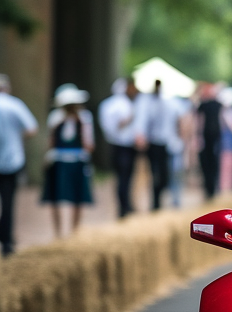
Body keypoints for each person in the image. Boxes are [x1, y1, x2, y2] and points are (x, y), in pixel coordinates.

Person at [42, 83, 94, 236]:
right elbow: (51, 142)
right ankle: (58, 233)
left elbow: (89, 144)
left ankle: (74, 231)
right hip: (59, 162)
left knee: (78, 198)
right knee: (56, 198)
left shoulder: (84, 118)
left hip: (77, 161)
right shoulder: (56, 118)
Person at [0, 74, 38, 256]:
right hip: (11, 161)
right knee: (8, 203)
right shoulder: (15, 105)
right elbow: (32, 129)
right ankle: (6, 241)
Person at [134, 79, 178, 210]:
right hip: (152, 143)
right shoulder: (147, 103)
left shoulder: (167, 102)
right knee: (154, 173)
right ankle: (155, 202)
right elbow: (142, 120)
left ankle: (158, 199)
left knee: (163, 175)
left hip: (165, 143)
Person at [98, 78, 139, 218]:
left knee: (124, 178)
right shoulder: (122, 105)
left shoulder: (108, 105)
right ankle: (124, 206)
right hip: (122, 146)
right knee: (124, 178)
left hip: (120, 145)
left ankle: (125, 205)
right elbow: (116, 126)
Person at [195, 82, 223, 199]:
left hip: (211, 139)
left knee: (210, 165)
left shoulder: (209, 105)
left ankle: (211, 189)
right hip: (210, 139)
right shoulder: (211, 105)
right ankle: (210, 189)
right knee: (210, 165)